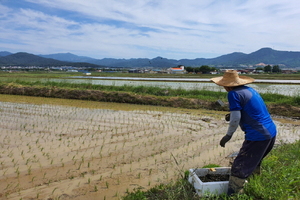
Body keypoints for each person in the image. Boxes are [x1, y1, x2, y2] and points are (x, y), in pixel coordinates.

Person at [211, 70, 277, 196]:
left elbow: (236, 118)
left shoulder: (233, 94)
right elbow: (253, 109)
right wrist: (233, 114)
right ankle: (254, 185)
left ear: (227, 85)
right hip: (271, 132)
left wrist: (228, 135)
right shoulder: (249, 90)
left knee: (239, 166)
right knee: (254, 160)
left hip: (258, 135)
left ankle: (234, 194)